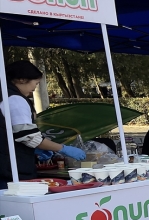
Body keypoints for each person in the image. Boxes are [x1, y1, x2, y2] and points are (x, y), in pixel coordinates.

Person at [0, 61, 86, 189]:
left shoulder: (4, 95)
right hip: (11, 170)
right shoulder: (16, 100)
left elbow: (14, 133)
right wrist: (62, 148)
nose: (34, 88)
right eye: (35, 83)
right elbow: (29, 136)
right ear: (22, 80)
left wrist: (36, 148)